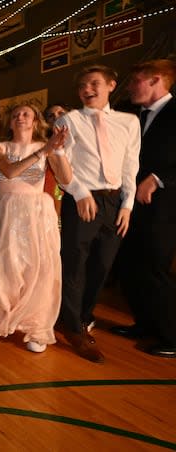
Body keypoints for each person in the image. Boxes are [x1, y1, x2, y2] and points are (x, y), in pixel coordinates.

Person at [55, 65, 140, 363]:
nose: (87, 89)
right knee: (75, 263)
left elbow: (132, 165)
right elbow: (58, 157)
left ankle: (83, 316)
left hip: (115, 202)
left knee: (103, 265)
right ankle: (72, 326)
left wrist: (128, 205)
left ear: (111, 85)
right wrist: (79, 192)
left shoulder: (129, 122)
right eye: (82, 86)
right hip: (83, 198)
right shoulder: (69, 120)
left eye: (94, 83)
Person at [0, 104, 71, 353]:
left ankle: (35, 327)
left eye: (26, 114)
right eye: (15, 114)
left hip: (37, 213)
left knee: (37, 268)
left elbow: (67, 180)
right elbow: (10, 171)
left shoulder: (46, 148)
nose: (20, 117)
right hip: (9, 212)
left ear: (37, 121)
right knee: (5, 266)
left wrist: (58, 152)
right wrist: (45, 151)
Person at [113, 59, 176, 358]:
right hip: (131, 205)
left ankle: (171, 335)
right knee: (129, 265)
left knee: (155, 269)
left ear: (156, 80)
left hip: (164, 208)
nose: (130, 86)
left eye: (136, 80)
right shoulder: (133, 115)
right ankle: (145, 323)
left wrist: (159, 179)